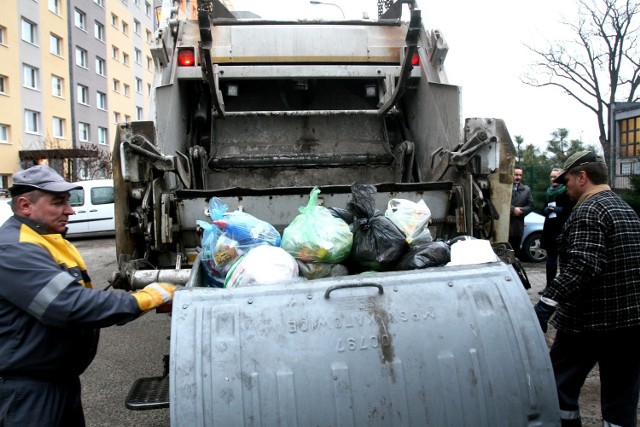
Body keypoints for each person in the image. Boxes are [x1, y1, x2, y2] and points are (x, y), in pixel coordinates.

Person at [0, 165, 178, 427]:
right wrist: (148, 297)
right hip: (28, 390)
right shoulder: (13, 250)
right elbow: (69, 305)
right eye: (59, 203)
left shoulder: (45, 238)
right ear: (25, 205)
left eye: (68, 203)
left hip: (58, 381)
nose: (70, 210)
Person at [534, 151, 640, 427]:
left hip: (589, 323)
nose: (564, 186)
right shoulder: (623, 208)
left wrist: (546, 304)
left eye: (567, 179)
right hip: (630, 325)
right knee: (621, 400)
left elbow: (582, 265)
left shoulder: (589, 211)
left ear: (582, 177)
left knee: (557, 386)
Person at [539, 167, 575, 295]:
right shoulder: (548, 192)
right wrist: (546, 210)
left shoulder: (566, 191)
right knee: (551, 259)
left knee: (564, 260)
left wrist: (559, 210)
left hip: (562, 229)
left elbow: (571, 209)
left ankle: (563, 287)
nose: (553, 179)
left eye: (555, 177)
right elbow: (542, 209)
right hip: (550, 229)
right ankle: (549, 286)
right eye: (551, 177)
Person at [509, 166, 534, 260]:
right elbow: (500, 202)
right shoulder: (504, 188)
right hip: (504, 225)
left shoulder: (526, 189)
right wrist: (513, 209)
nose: (518, 177)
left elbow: (531, 205)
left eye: (520, 175)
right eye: (516, 175)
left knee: (515, 253)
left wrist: (520, 211)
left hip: (517, 226)